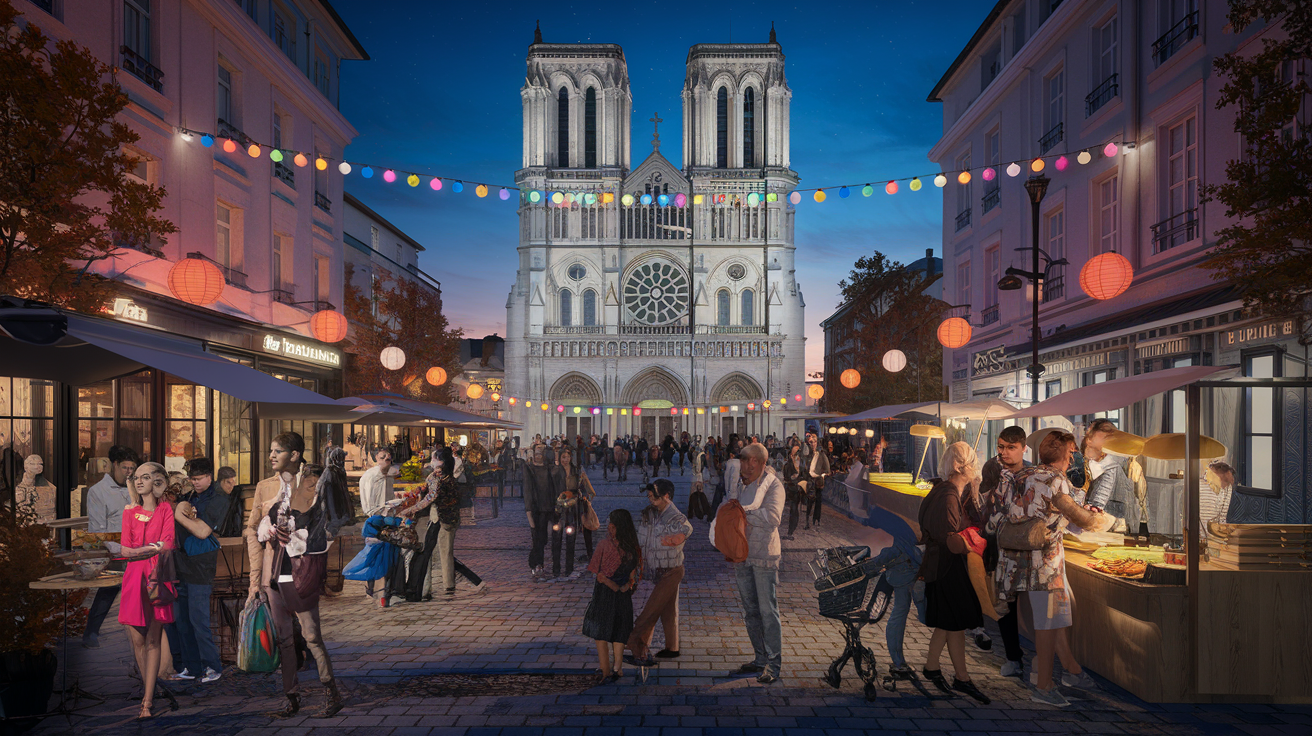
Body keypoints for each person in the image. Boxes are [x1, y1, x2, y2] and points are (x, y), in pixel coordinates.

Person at [996, 431, 1106, 707]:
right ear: (1067, 453)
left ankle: (1067, 670)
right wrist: (1103, 521)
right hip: (1045, 563)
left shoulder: (1025, 474)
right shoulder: (1056, 480)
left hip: (1020, 561)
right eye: (1072, 452)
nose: (1074, 457)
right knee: (1048, 623)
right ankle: (1043, 685)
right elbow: (1079, 517)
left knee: (1057, 616)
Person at [246, 435, 347, 718]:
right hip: (272, 573)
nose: (271, 456)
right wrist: (255, 579)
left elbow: (330, 525)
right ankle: (291, 698)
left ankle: (331, 692)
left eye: (277, 451)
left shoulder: (313, 482)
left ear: (294, 454)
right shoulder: (264, 486)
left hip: (300, 570)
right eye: (270, 450)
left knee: (311, 634)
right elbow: (252, 532)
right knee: (283, 639)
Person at [918, 441, 990, 705]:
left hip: (942, 566)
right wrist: (974, 537)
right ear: (962, 466)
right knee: (954, 621)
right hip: (948, 567)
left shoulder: (944, 491)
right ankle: (958, 676)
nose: (977, 465)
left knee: (950, 623)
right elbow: (950, 539)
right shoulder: (949, 495)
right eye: (974, 460)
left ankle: (939, 668)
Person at [118, 462, 176, 719]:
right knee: (138, 641)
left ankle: (148, 701)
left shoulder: (165, 510)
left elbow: (168, 544)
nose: (139, 481)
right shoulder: (129, 512)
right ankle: (149, 689)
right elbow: (123, 548)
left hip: (156, 577)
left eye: (145, 477)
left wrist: (141, 550)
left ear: (158, 482)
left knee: (153, 640)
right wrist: (151, 547)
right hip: (133, 579)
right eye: (137, 478)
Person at [724, 443, 786, 684]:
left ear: (758, 463)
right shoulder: (742, 483)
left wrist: (744, 513)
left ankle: (774, 664)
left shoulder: (774, 485)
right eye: (742, 463)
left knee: (768, 612)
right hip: (742, 554)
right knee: (751, 611)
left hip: (763, 556)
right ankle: (760, 659)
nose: (743, 468)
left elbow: (773, 517)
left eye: (747, 464)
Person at [164, 457, 226, 684]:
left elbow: (202, 531)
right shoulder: (189, 496)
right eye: (193, 478)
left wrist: (179, 514)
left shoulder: (218, 498)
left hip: (200, 566)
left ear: (210, 477)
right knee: (182, 621)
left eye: (199, 478)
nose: (195, 482)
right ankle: (191, 667)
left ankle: (213, 666)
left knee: (198, 620)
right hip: (180, 564)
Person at [979, 425, 1031, 678]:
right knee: (1004, 604)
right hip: (998, 545)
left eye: (1011, 447)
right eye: (1001, 446)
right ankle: (1013, 657)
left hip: (1026, 546)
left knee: (1029, 602)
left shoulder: (1032, 472)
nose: (1005, 452)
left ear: (1023, 448)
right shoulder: (992, 468)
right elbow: (984, 503)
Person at [625, 479, 692, 666]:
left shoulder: (675, 516)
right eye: (649, 496)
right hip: (657, 570)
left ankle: (638, 645)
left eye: (654, 497)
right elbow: (642, 539)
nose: (650, 500)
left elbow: (686, 528)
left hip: (672, 570)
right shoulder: (650, 514)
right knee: (668, 611)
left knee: (651, 611)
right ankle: (672, 648)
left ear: (666, 496)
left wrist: (675, 538)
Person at [860, 507, 926, 682]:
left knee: (900, 613)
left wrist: (865, 566)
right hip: (912, 570)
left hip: (906, 572)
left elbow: (891, 552)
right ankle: (899, 661)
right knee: (903, 612)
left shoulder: (896, 527)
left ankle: (898, 661)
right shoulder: (903, 523)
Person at [83, 444, 137, 649]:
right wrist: (117, 549)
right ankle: (91, 633)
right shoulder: (98, 491)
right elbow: (98, 528)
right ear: (114, 465)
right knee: (108, 590)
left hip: (139, 547)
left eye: (132, 468)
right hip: (116, 548)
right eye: (125, 468)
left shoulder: (136, 487)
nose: (129, 473)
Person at [582, 508, 641, 685]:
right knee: (619, 629)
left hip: (604, 594)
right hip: (623, 594)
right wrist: (625, 586)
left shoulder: (604, 545)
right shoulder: (633, 549)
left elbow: (596, 572)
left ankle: (606, 670)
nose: (609, 528)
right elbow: (635, 574)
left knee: (601, 632)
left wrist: (610, 584)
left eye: (612, 526)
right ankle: (617, 667)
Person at [357, 448, 396, 600]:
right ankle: (370, 587)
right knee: (372, 552)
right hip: (374, 518)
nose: (386, 458)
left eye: (388, 455)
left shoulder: (390, 474)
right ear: (376, 459)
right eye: (382, 456)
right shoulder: (370, 477)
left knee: (387, 551)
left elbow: (390, 495)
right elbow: (367, 503)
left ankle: (386, 587)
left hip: (387, 516)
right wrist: (373, 516)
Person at [524, 445, 559, 580]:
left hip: (549, 508)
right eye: (537, 452)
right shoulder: (530, 469)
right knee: (538, 539)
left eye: (541, 453)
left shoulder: (549, 468)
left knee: (544, 539)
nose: (539, 455)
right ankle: (536, 564)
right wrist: (529, 513)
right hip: (537, 510)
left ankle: (543, 564)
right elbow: (527, 492)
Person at [550, 447, 586, 580]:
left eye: (567, 457)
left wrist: (576, 497)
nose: (565, 460)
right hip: (558, 510)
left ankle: (569, 568)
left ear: (571, 458)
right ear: (559, 458)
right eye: (563, 457)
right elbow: (551, 491)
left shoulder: (576, 472)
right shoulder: (554, 472)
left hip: (572, 509)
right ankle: (556, 568)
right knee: (556, 539)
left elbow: (580, 489)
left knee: (571, 538)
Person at [802, 433, 831, 528]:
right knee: (810, 501)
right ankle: (807, 521)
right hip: (810, 479)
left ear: (817, 443)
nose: (813, 444)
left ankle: (816, 520)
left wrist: (821, 476)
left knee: (818, 501)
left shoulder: (822, 455)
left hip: (818, 480)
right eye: (811, 442)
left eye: (814, 442)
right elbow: (805, 467)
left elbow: (827, 470)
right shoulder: (808, 455)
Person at [781, 445, 806, 540]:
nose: (797, 457)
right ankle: (789, 531)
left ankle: (792, 530)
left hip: (800, 490)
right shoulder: (787, 465)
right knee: (792, 510)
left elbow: (805, 475)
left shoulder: (802, 464)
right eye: (795, 454)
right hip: (791, 490)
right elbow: (786, 478)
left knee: (795, 510)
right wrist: (791, 478)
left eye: (798, 454)